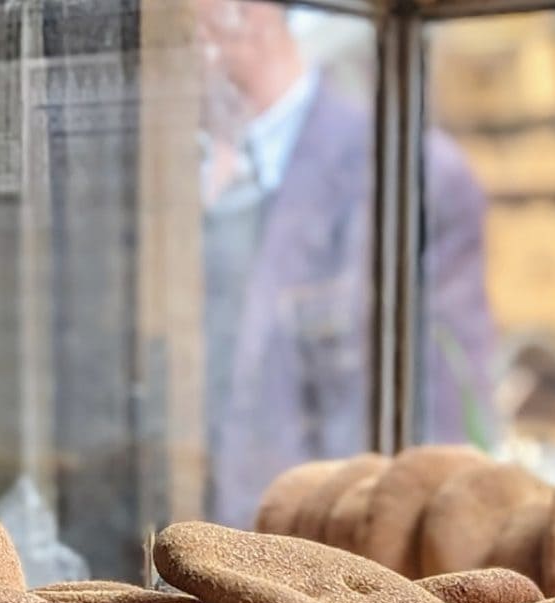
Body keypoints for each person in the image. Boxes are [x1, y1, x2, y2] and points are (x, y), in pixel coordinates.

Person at [195, 0, 496, 528]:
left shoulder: (412, 176)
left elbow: (441, 435)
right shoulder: (171, 174)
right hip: (179, 562)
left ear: (241, 13)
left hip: (325, 567)